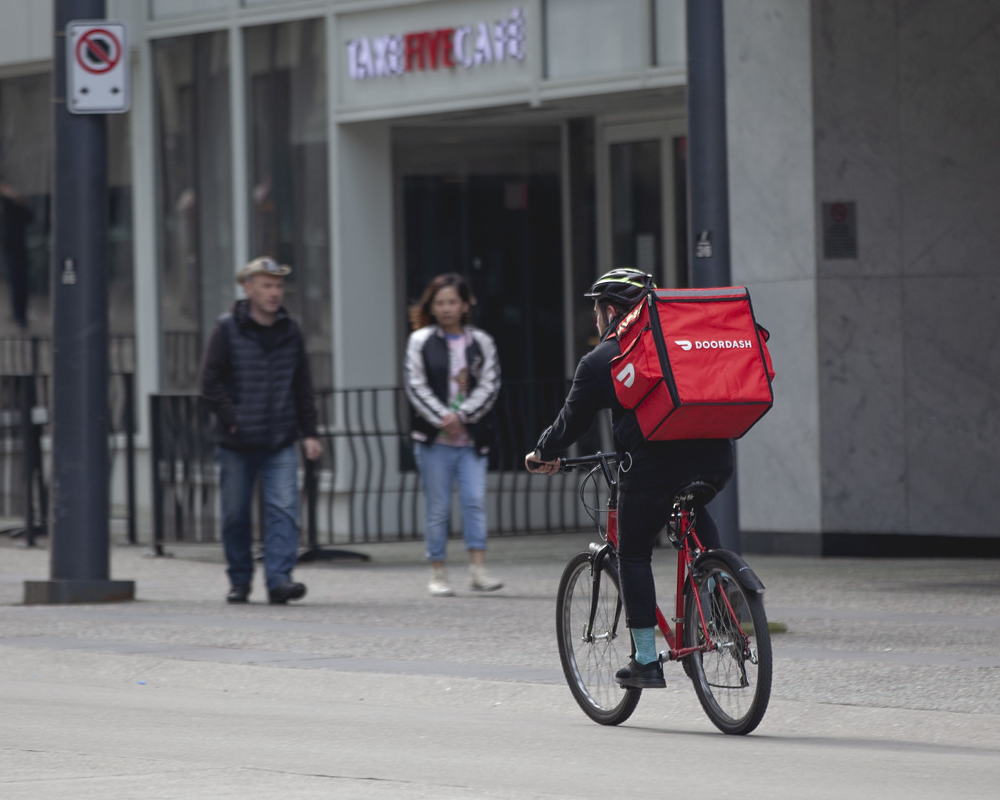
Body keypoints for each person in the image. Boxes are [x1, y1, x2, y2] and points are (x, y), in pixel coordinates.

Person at [525, 268, 734, 688]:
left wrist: (543, 453)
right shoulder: (679, 342)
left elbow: (571, 421)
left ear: (608, 310)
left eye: (596, 312)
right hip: (716, 456)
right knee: (694, 509)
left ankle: (644, 660)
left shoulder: (604, 358)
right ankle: (726, 603)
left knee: (633, 552)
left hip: (654, 469)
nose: (595, 321)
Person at [200, 256, 323, 605]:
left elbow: (302, 385)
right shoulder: (226, 328)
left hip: (280, 438)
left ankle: (279, 579)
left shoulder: (291, 330)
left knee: (283, 509)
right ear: (248, 288)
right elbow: (209, 382)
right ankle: (240, 579)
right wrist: (233, 418)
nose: (274, 293)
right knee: (236, 514)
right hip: (236, 441)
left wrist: (310, 433)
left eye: (279, 286)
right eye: (266, 285)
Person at [405, 273, 502, 597]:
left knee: (474, 501)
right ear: (431, 307)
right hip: (434, 441)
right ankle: (438, 571)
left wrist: (462, 416)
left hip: (472, 439)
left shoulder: (481, 342)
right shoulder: (420, 340)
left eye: (452, 302)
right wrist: (441, 418)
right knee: (438, 507)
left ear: (465, 305)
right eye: (440, 302)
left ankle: (478, 568)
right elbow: (415, 385)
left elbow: (490, 385)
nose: (446, 308)